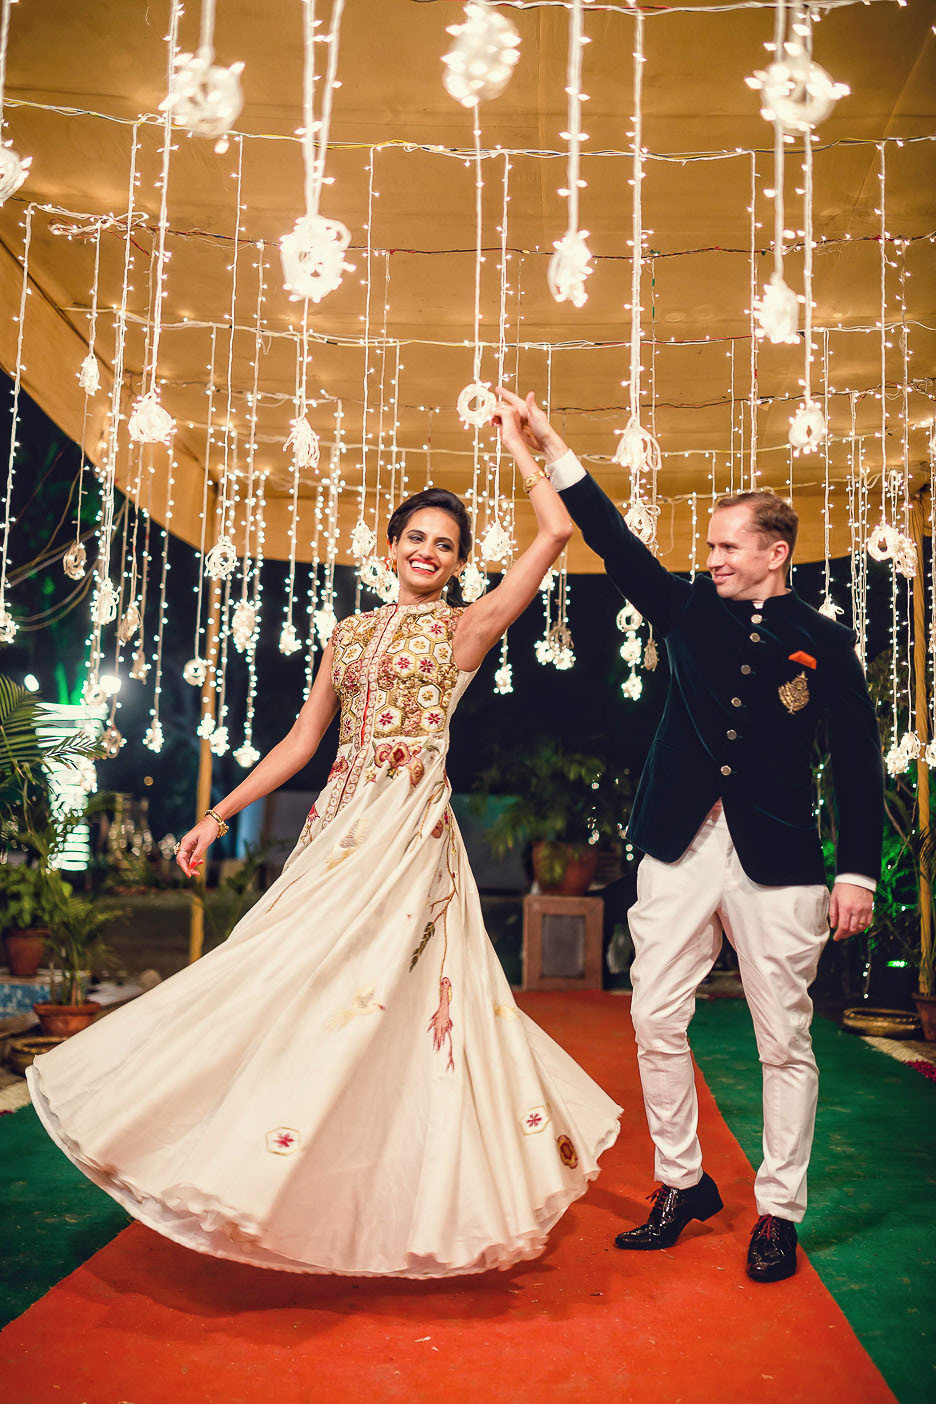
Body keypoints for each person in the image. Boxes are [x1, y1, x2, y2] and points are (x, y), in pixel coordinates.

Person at [27, 402, 621, 1280]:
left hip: (410, 836)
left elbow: (558, 531)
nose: (428, 553)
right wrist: (217, 814)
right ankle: (252, 1155)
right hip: (336, 830)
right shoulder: (347, 635)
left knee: (389, 998)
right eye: (415, 539)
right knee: (282, 972)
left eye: (445, 545)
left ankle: (397, 1185)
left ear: (461, 563)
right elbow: (302, 742)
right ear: (390, 548)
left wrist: (517, 445)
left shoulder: (465, 627)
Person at [498, 386, 884, 1284]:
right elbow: (612, 540)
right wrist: (550, 442)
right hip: (678, 846)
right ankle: (683, 1183)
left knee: (783, 1039)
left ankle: (779, 1210)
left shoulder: (826, 644)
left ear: (774, 552)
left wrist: (857, 872)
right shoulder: (688, 611)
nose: (708, 559)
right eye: (708, 546)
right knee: (652, 1016)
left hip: (782, 861)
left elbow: (858, 766)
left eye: (725, 546)